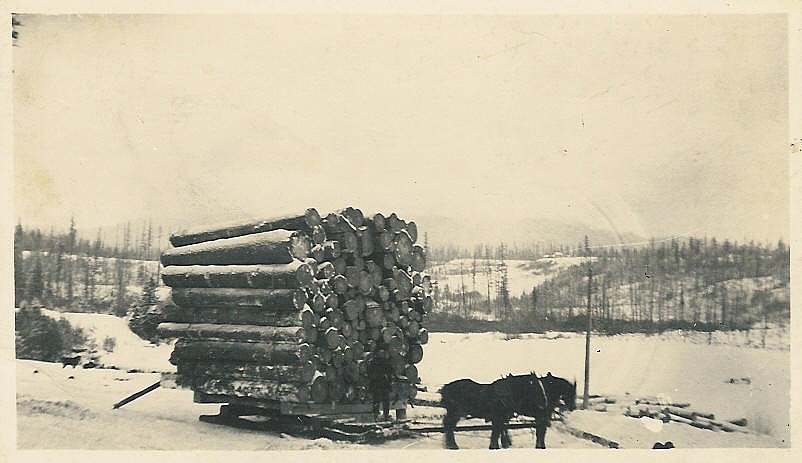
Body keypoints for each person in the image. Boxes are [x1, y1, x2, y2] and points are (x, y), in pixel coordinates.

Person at [367, 348, 393, 421]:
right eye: (380, 353)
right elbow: (370, 374)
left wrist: (389, 380)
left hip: (383, 384)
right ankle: (377, 415)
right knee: (377, 400)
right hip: (377, 384)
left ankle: (385, 415)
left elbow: (390, 371)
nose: (381, 354)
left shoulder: (385, 362)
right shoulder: (373, 362)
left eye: (382, 353)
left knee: (384, 401)